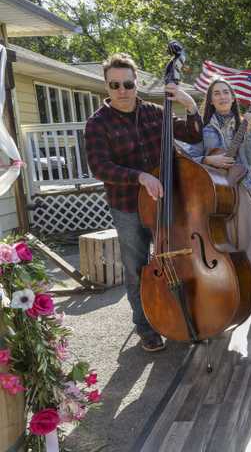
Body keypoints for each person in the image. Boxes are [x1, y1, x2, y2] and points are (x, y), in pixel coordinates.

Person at [85, 53, 203, 353]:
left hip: (166, 202)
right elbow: (100, 166)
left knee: (176, 257)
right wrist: (140, 177)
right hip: (127, 205)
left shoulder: (155, 111)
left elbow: (192, 134)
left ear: (136, 82)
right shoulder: (98, 124)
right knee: (137, 268)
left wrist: (189, 105)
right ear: (107, 86)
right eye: (115, 85)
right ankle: (145, 326)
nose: (122, 90)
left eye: (127, 83)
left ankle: (181, 315)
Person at [185, 78, 251, 313]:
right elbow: (187, 158)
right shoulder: (203, 127)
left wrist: (248, 132)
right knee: (222, 243)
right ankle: (227, 295)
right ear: (211, 100)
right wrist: (208, 160)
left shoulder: (244, 122)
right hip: (215, 193)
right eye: (216, 93)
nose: (222, 96)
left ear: (234, 97)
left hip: (242, 188)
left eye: (226, 92)